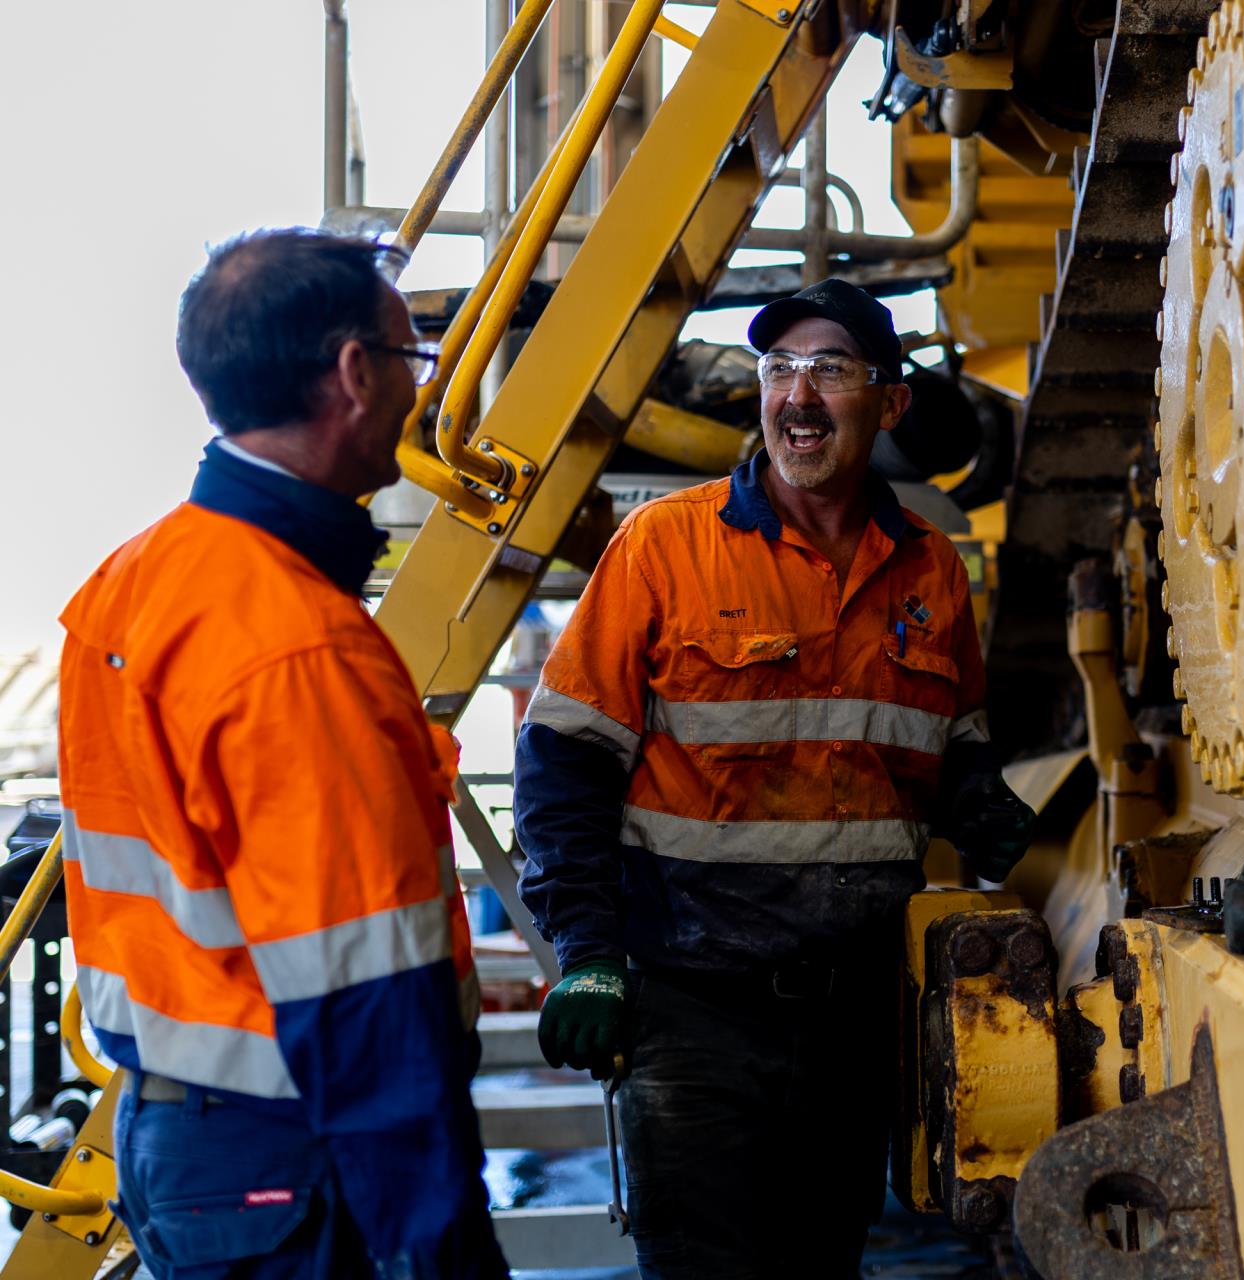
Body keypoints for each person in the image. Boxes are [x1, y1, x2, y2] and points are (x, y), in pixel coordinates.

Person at [515, 278, 1036, 1277]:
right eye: (779, 369)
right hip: (693, 1011)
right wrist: (586, 949)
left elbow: (950, 738)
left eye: (830, 371)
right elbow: (566, 761)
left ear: (891, 404)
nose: (798, 395)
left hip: (853, 1018)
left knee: (822, 1265)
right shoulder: (665, 546)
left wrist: (978, 799)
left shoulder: (931, 569)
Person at [57, 229, 507, 1278]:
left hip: (181, 1144)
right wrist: (444, 1251)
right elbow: (366, 1002)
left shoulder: (128, 583)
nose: (420, 389)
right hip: (295, 1157)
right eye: (412, 359)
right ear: (355, 375)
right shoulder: (297, 644)